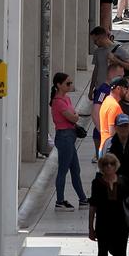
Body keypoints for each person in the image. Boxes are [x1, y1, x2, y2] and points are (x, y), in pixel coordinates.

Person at [88, 151, 129, 256]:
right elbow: (93, 206)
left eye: (111, 164)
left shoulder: (123, 182)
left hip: (121, 225)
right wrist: (91, 227)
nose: (109, 167)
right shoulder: (97, 183)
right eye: (105, 164)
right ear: (101, 167)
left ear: (116, 166)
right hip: (103, 225)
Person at [51, 72, 88, 211]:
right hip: (64, 137)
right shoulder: (58, 102)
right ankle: (60, 201)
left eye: (70, 83)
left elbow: (73, 115)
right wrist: (75, 115)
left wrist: (75, 115)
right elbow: (73, 117)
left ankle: (82, 199)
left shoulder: (66, 99)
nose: (70, 85)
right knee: (63, 169)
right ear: (58, 85)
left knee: (75, 169)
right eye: (67, 83)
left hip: (70, 136)